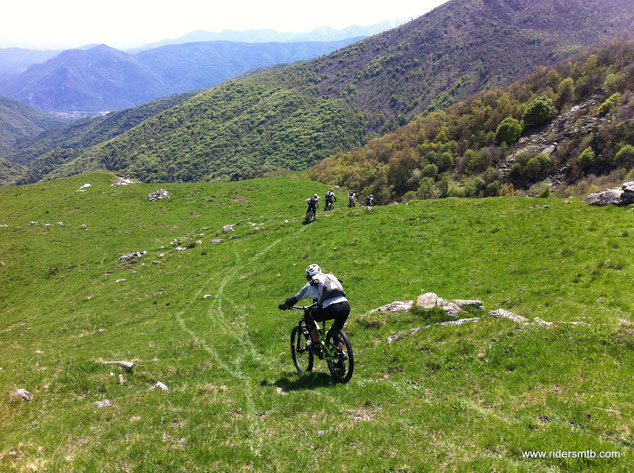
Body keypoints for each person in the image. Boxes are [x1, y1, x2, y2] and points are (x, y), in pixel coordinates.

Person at [278, 264, 350, 358]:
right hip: (345, 306)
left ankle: (316, 346)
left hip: (331, 308)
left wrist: (284, 306)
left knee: (308, 315)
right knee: (335, 331)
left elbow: (294, 299)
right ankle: (341, 355)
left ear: (308, 276)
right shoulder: (331, 276)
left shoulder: (312, 283)